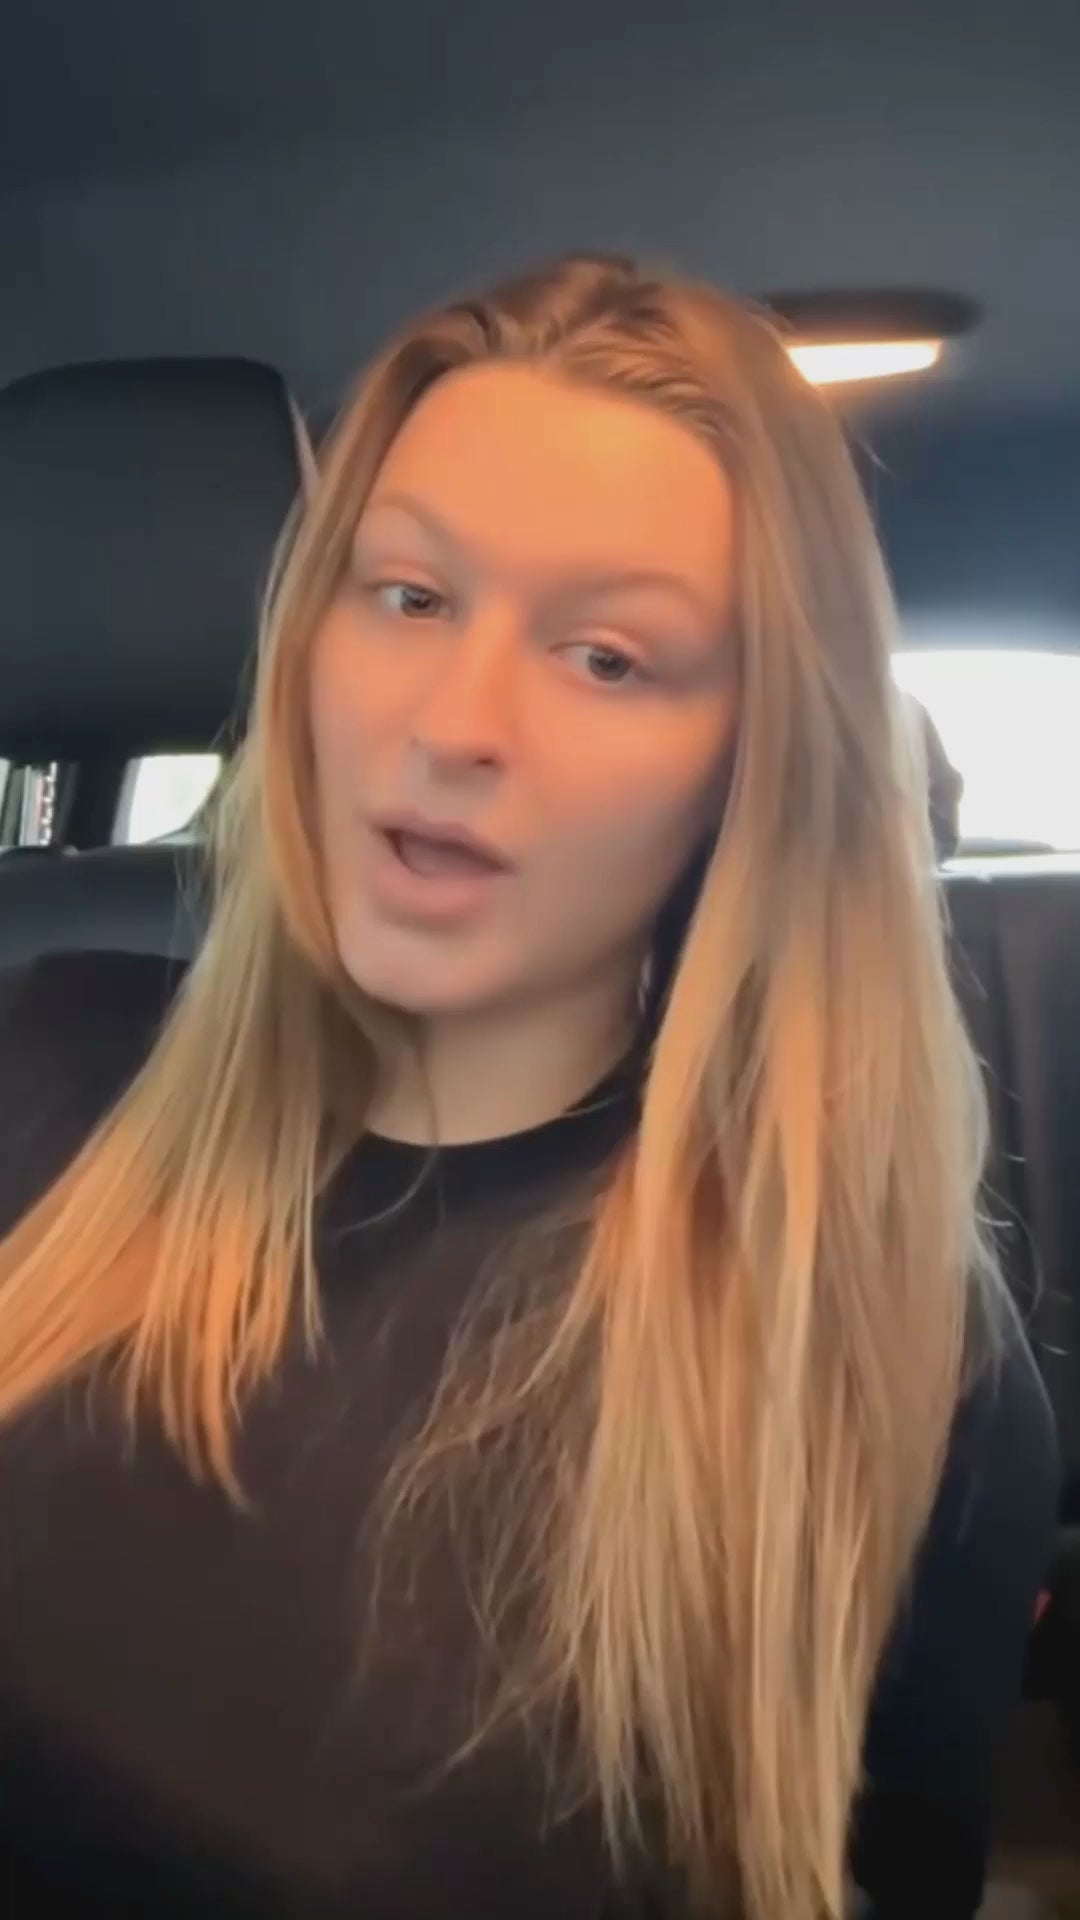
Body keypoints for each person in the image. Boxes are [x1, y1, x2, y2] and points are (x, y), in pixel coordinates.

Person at [0, 252, 1058, 1920]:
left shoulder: (877, 1343)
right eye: (410, 598)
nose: (454, 722)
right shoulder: (37, 1072)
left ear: (753, 760)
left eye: (607, 657)